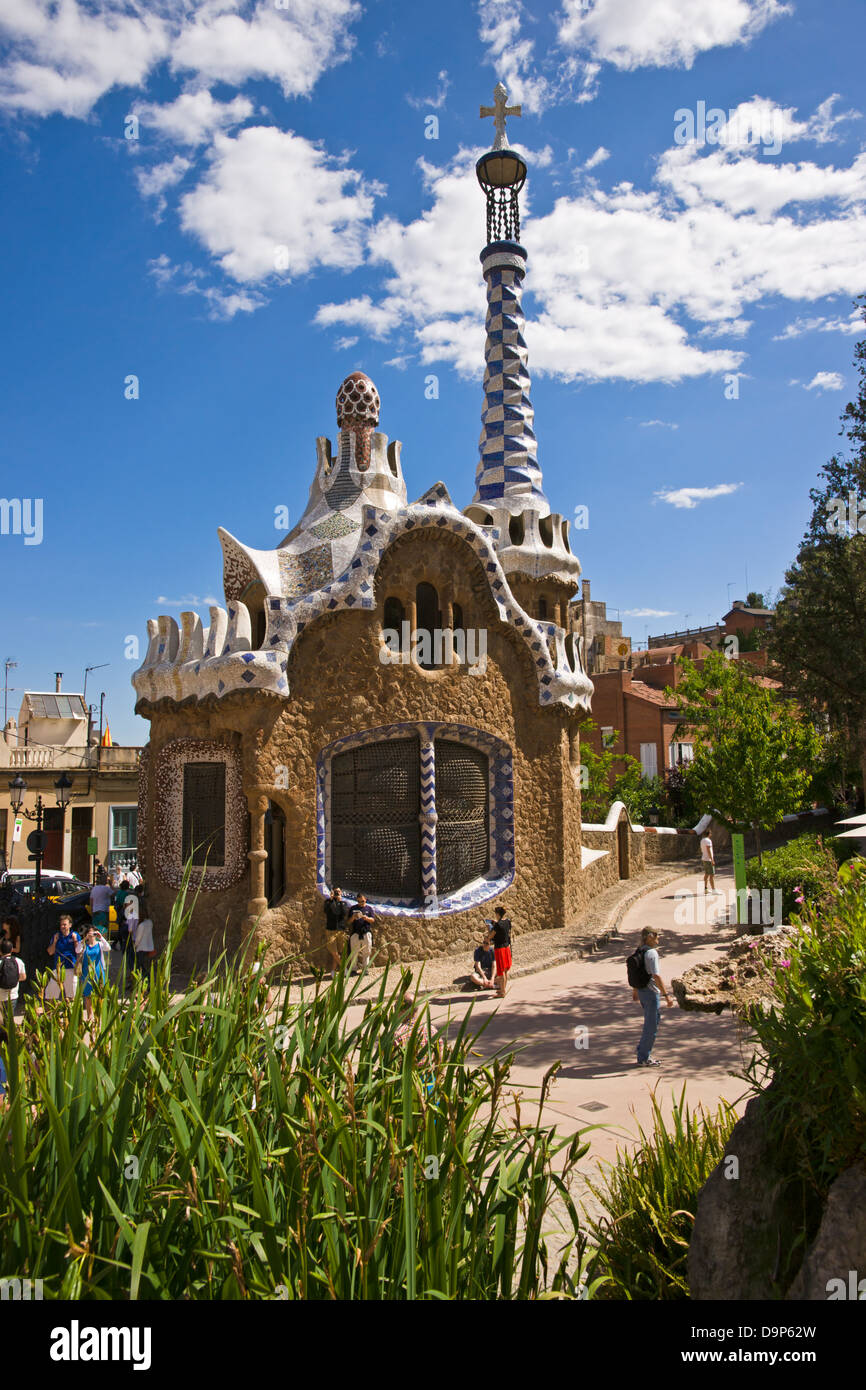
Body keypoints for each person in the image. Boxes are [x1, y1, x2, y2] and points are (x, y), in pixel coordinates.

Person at [632, 926, 674, 1068]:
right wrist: (666, 996)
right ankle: (644, 1057)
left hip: (643, 992)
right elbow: (656, 976)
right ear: (649, 937)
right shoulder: (651, 953)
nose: (658, 939)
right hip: (651, 993)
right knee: (651, 1026)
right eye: (656, 936)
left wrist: (635, 991)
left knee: (652, 1022)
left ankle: (642, 1051)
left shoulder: (640, 950)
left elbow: (637, 972)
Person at [47, 913, 82, 1000]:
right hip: (58, 968)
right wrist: (55, 942)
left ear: (70, 925)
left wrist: (75, 941)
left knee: (71, 996)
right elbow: (50, 952)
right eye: (61, 925)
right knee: (50, 995)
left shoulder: (75, 935)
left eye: (65, 924)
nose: (63, 926)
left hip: (71, 967)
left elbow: (80, 951)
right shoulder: (57, 936)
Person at [78, 924, 109, 1020]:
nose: (92, 934)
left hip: (98, 971)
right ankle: (90, 1015)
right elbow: (77, 949)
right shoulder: (84, 945)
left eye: (93, 932)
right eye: (90, 932)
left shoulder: (99, 944)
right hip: (86, 972)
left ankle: (100, 1014)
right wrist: (84, 939)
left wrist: (101, 938)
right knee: (87, 996)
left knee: (100, 993)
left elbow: (108, 948)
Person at [346, 894, 375, 974]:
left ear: (365, 899)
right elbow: (348, 922)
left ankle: (365, 969)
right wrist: (353, 917)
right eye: (358, 901)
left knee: (367, 952)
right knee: (354, 952)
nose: (360, 903)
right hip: (355, 932)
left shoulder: (369, 908)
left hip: (366, 932)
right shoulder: (353, 908)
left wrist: (366, 918)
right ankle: (353, 969)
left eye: (362, 901)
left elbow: (373, 920)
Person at [489, 905, 513, 998]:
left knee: (501, 970)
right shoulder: (507, 921)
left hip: (500, 949)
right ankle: (503, 989)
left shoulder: (498, 925)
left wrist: (490, 927)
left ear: (498, 914)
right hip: (507, 947)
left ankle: (502, 992)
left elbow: (491, 936)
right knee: (506, 970)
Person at [323, 886, 348, 974]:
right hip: (330, 930)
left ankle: (333, 971)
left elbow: (344, 913)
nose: (337, 893)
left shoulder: (344, 903)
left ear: (341, 892)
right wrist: (331, 900)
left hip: (340, 930)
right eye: (335, 892)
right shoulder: (328, 902)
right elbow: (327, 911)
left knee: (340, 952)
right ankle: (344, 968)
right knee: (334, 951)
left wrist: (340, 901)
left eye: (338, 891)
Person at [0, 939, 26, 1017]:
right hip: (13, 995)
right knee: (9, 1019)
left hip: (0, 996)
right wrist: (13, 979)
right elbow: (23, 977)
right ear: (12, 949)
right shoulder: (19, 961)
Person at [132, 910, 155, 985]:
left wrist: (134, 946)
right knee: (143, 965)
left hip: (141, 948)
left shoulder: (141, 925)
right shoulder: (149, 923)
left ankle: (145, 981)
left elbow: (138, 938)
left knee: (140, 967)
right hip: (149, 947)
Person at [700, 828, 717, 892]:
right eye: (710, 833)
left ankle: (705, 888)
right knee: (712, 875)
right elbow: (708, 850)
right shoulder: (708, 841)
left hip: (704, 858)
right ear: (709, 834)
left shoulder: (702, 840)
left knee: (706, 873)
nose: (711, 834)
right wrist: (712, 860)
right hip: (708, 859)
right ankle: (713, 890)